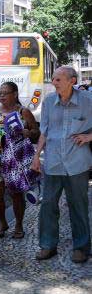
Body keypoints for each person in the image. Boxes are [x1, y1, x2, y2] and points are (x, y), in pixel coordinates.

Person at [31, 66, 92, 263]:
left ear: (72, 81)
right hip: (53, 162)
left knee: (78, 206)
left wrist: (89, 136)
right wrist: (36, 156)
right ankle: (48, 245)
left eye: (58, 79)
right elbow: (44, 132)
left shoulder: (88, 101)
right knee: (48, 204)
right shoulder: (49, 101)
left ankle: (81, 248)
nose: (53, 83)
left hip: (77, 163)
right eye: (54, 79)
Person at [0, 81, 39, 239]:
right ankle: (3, 222)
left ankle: (18, 224)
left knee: (16, 194)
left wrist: (27, 132)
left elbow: (36, 131)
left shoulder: (23, 111)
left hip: (16, 160)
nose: (1, 96)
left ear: (15, 94)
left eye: (5, 93)